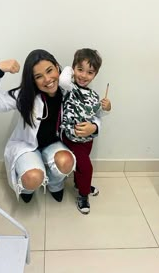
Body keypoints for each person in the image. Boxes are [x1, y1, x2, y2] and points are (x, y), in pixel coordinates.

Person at [0, 49, 76, 203]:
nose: (47, 79)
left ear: (57, 67)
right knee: (33, 178)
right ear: (33, 80)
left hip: (54, 144)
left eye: (50, 70)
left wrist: (95, 126)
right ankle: (29, 187)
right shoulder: (25, 95)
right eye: (39, 76)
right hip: (28, 146)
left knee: (66, 161)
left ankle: (55, 184)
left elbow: (89, 109)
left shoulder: (68, 91)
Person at [59, 48, 111, 215]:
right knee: (86, 167)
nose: (83, 75)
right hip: (71, 138)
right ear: (73, 69)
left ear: (95, 75)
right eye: (80, 69)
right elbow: (63, 80)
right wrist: (69, 68)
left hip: (87, 140)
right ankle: (83, 194)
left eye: (90, 72)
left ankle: (80, 184)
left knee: (81, 166)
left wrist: (106, 108)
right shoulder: (68, 88)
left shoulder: (94, 95)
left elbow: (97, 115)